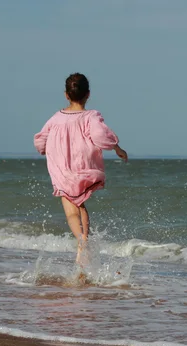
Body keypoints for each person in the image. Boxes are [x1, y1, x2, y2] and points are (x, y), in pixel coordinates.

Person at [34, 73, 128, 264]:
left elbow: (41, 139)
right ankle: (84, 242)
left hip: (61, 169)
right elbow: (100, 135)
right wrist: (116, 147)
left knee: (71, 211)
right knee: (81, 204)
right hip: (82, 166)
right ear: (88, 94)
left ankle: (81, 240)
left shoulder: (55, 118)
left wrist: (44, 150)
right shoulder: (90, 116)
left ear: (66, 95)